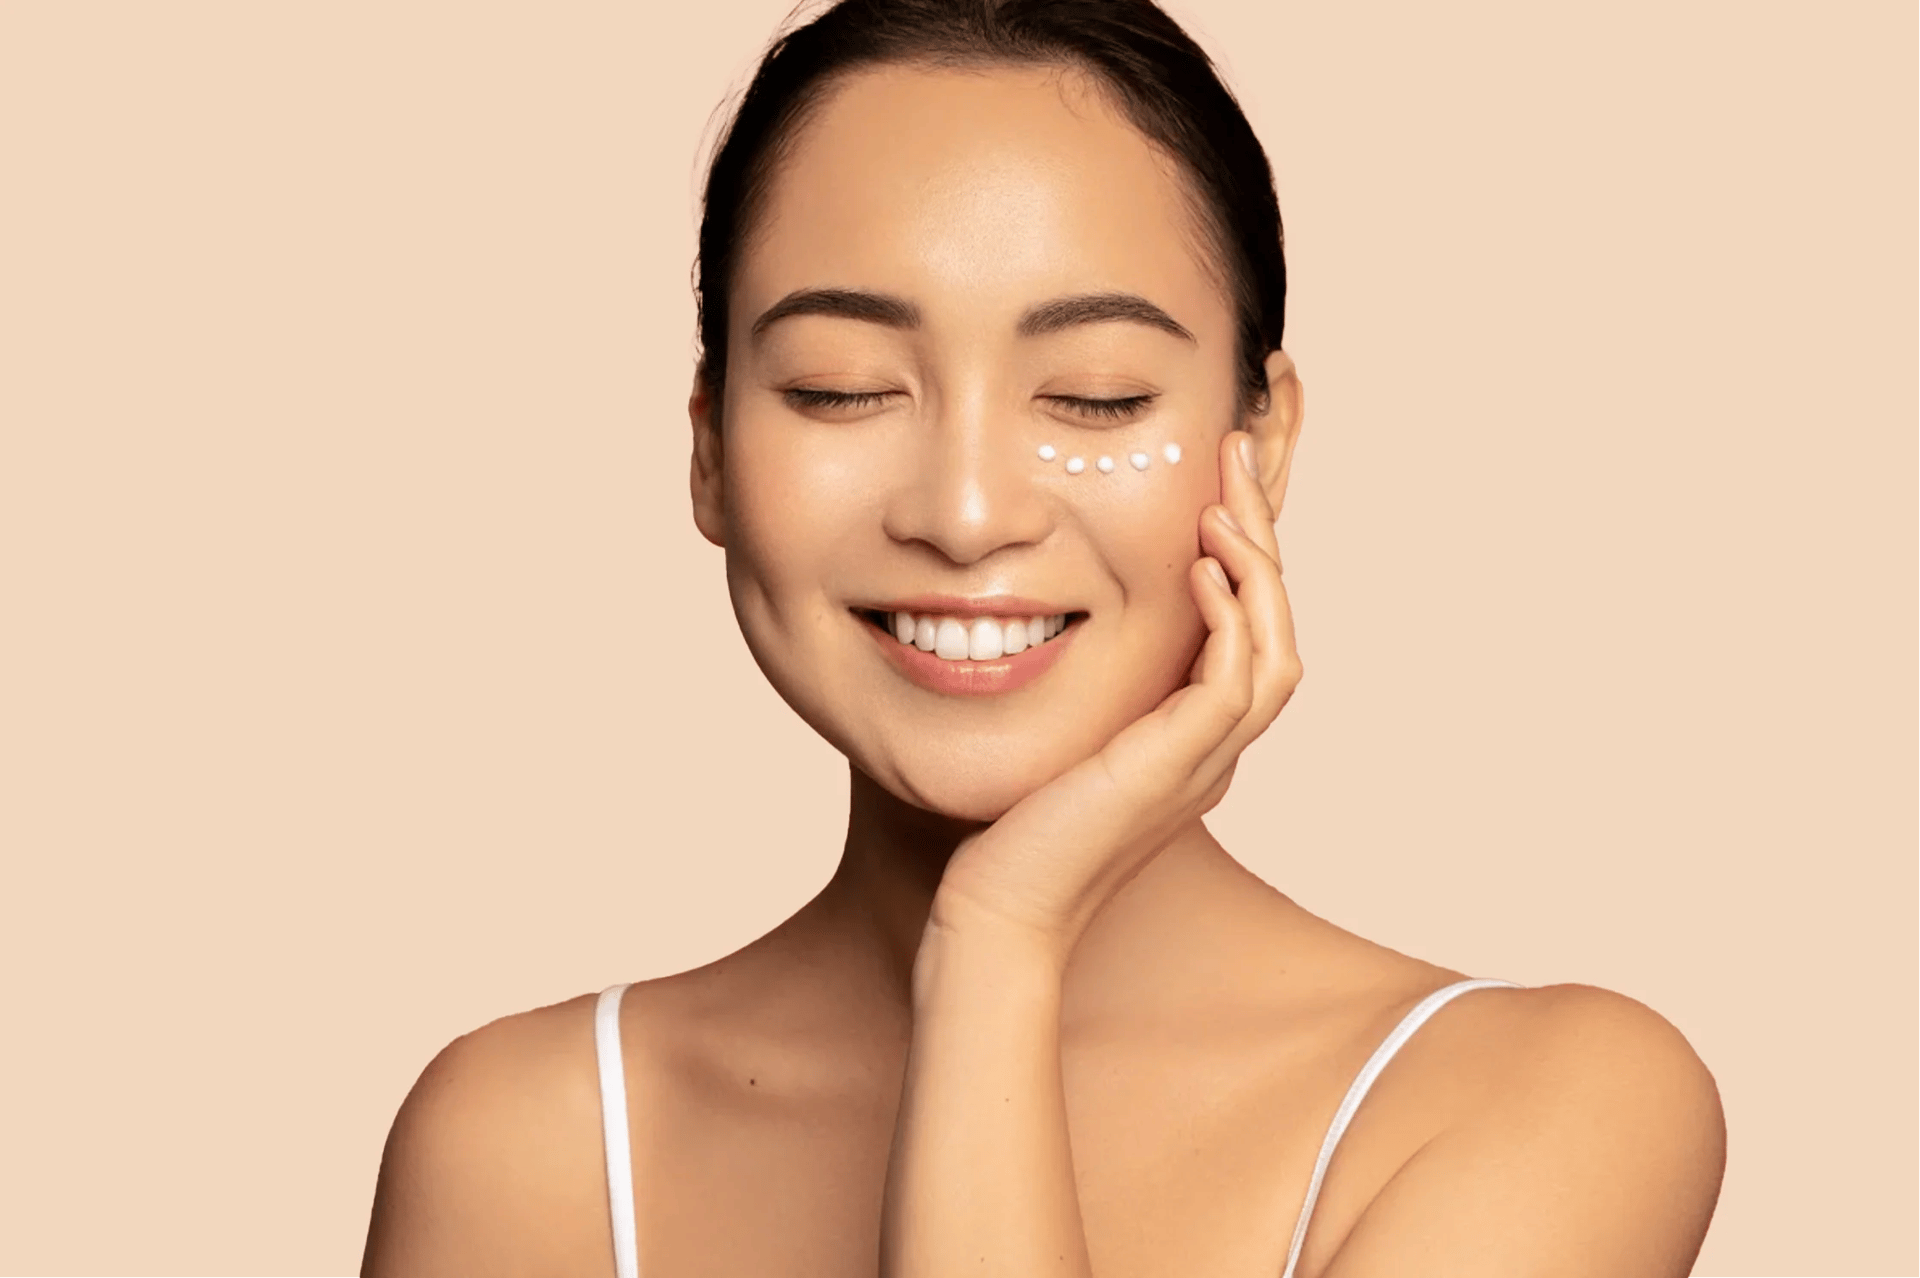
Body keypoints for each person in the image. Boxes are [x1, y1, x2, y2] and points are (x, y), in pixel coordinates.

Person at [359, 2, 1726, 1274]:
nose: (966, 513)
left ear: (1262, 444)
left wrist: (999, 942)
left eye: (1094, 397)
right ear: (710, 448)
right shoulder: (516, 1147)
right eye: (842, 391)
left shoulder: (1543, 1101)